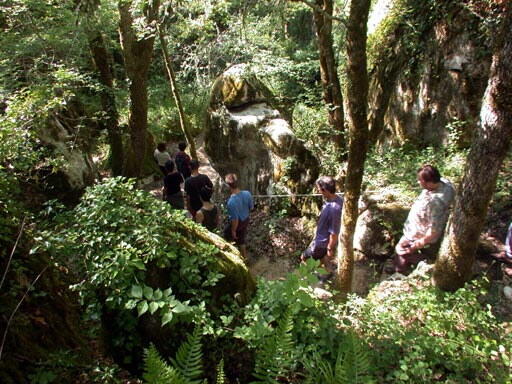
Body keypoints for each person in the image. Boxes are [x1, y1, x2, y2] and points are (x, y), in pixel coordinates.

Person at [393, 164, 455, 273]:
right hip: (414, 230)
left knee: (401, 250)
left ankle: (425, 265)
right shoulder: (446, 184)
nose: (418, 182)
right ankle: (403, 268)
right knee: (401, 255)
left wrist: (416, 245)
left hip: (417, 235)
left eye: (420, 180)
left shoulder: (435, 203)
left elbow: (434, 231)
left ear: (430, 182)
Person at [301, 176, 343, 274]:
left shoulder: (334, 209)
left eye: (319, 188)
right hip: (321, 240)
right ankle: (327, 277)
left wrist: (330, 248)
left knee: (304, 257)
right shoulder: (336, 200)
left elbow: (334, 232)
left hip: (321, 244)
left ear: (325, 190)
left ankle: (306, 280)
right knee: (322, 260)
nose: (318, 190)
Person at [224, 173, 253, 259]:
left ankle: (231, 256)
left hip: (238, 223)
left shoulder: (231, 202)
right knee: (241, 238)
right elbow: (251, 207)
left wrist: (233, 231)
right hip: (246, 219)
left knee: (227, 235)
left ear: (228, 186)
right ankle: (245, 257)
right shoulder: (247, 193)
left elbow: (235, 220)